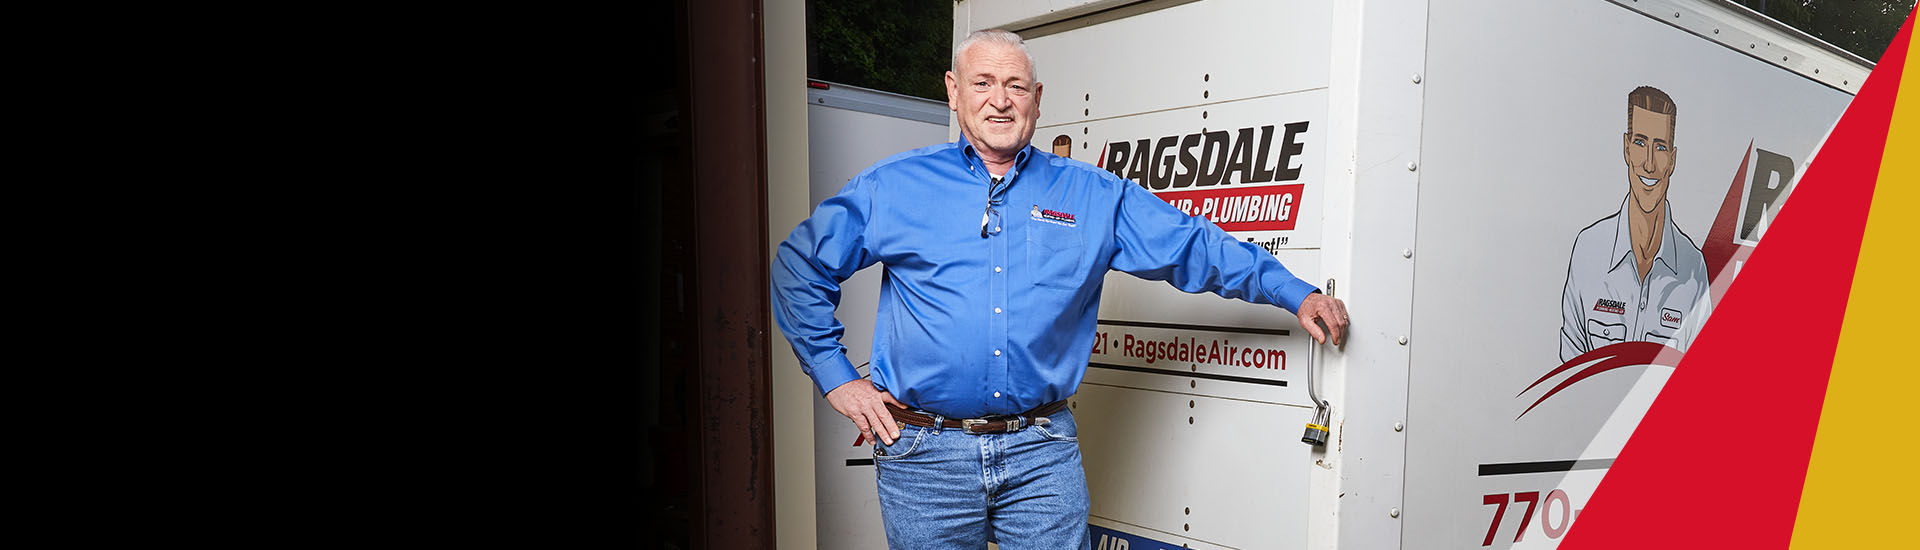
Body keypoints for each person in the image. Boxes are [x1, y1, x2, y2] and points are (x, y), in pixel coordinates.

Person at [771, 29, 1350, 549]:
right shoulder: (894, 187)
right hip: (926, 456)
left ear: (1037, 99)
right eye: (983, 82)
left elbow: (1195, 246)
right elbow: (800, 266)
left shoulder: (1092, 195)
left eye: (1016, 86)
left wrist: (1294, 292)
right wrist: (837, 377)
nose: (1001, 99)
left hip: (1040, 450)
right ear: (953, 92)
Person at [1559, 86, 1712, 363]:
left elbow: (1698, 377)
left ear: (1673, 160)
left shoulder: (1694, 269)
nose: (1650, 164)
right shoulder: (1588, 250)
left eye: (1661, 147)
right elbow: (1569, 371)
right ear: (1626, 148)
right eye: (1640, 143)